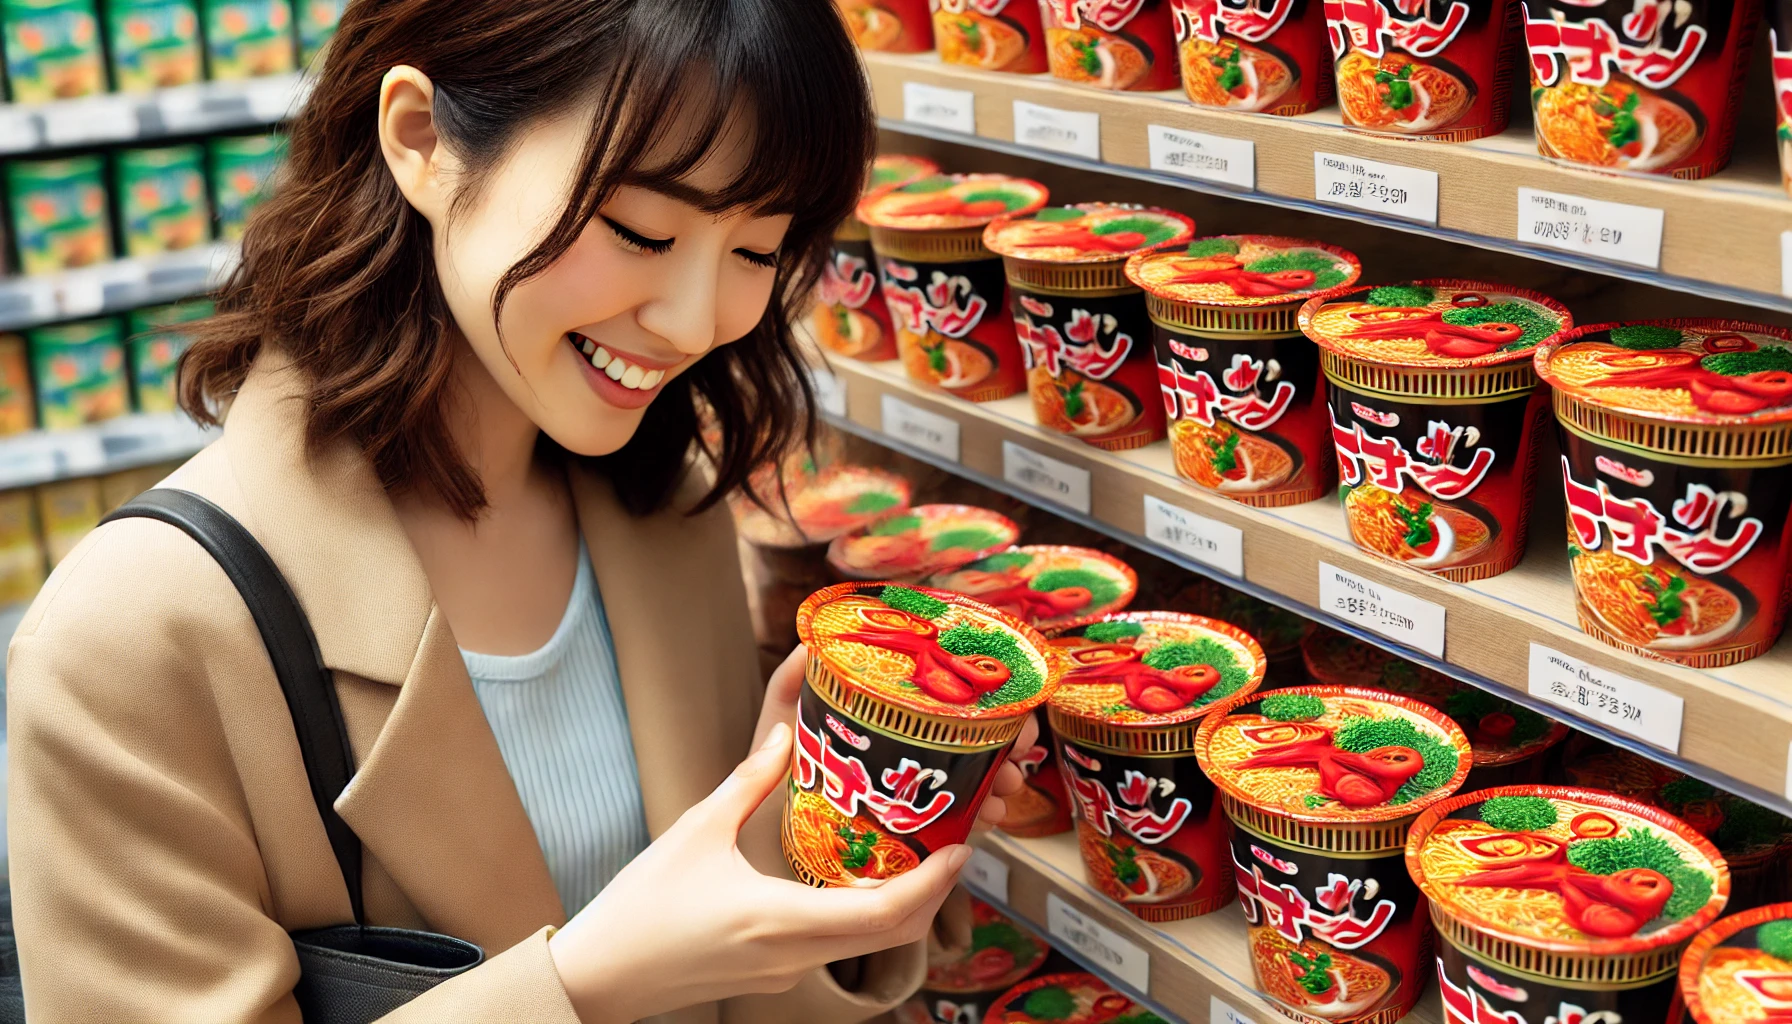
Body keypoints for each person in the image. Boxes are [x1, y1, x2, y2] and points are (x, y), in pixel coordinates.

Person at [5, 1, 1037, 1020]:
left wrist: (797, 825)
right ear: (420, 140)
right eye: (640, 231)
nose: (694, 320)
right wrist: (588, 982)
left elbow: (730, 994)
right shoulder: (134, 634)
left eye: (757, 251)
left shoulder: (665, 517)